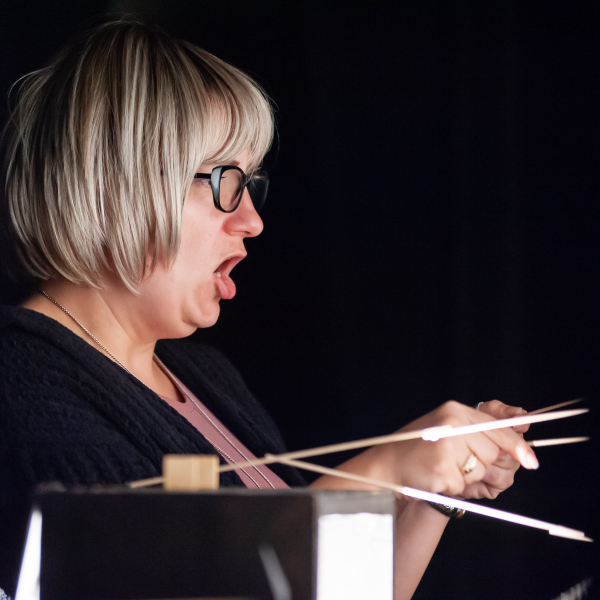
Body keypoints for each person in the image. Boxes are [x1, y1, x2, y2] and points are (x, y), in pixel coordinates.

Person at [0, 19, 537, 599]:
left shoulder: (205, 375)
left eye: (250, 184)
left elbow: (325, 591)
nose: (252, 221)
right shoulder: (20, 387)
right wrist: (383, 471)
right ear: (111, 186)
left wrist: (433, 489)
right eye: (224, 180)